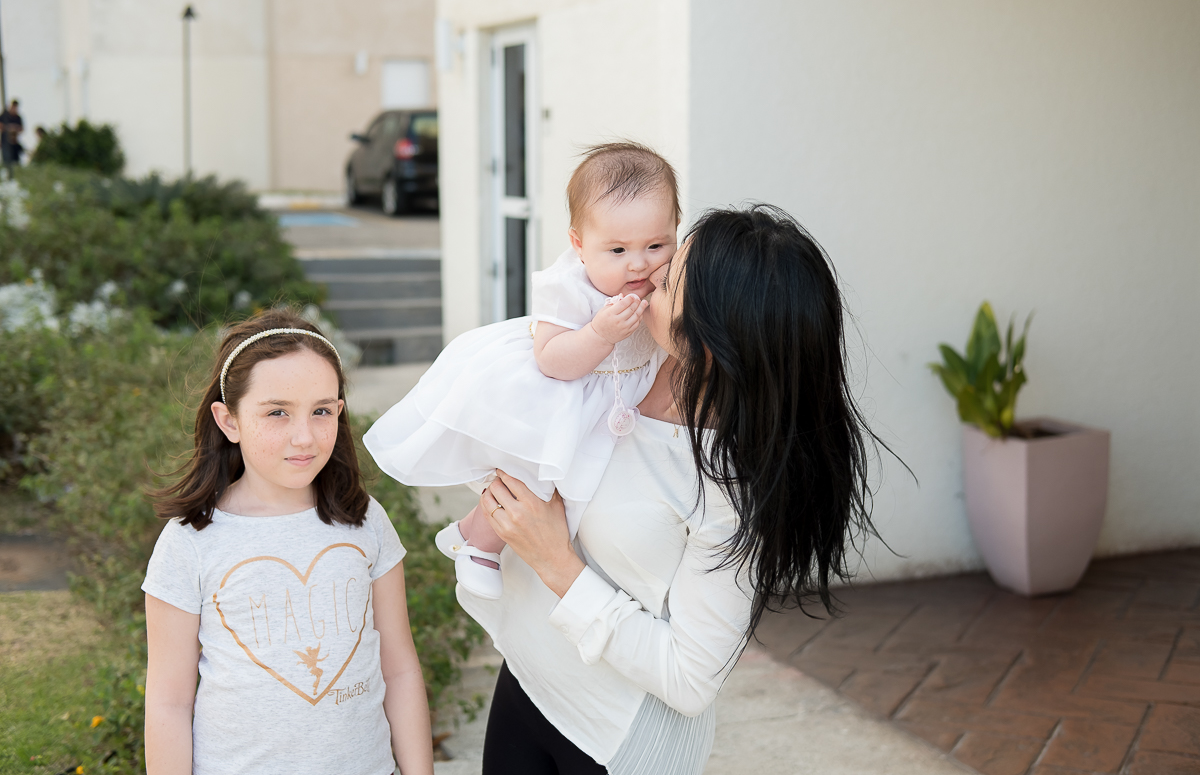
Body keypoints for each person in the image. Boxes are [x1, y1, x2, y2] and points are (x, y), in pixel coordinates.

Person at [459, 204, 882, 774]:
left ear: (709, 342)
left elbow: (690, 679)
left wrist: (555, 562)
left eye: (666, 281)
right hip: (530, 679)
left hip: (615, 742)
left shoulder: (732, 487)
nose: (648, 274)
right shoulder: (626, 356)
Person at [365, 142, 679, 600]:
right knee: (532, 476)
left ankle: (480, 532)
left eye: (656, 245)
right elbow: (551, 359)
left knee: (586, 491)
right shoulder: (570, 287)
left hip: (618, 396)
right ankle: (480, 545)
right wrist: (599, 332)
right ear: (579, 245)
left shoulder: (664, 280)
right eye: (617, 249)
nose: (639, 263)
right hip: (563, 389)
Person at [141, 308, 434, 775]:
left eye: (322, 411)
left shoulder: (365, 520)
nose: (305, 437)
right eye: (277, 412)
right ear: (229, 420)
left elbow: (399, 669)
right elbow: (169, 703)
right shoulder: (190, 541)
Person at [1, 100, 23, 166]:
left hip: (14, 143)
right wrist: (9, 128)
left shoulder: (17, 117)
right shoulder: (4, 116)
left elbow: (21, 129)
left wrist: (14, 128)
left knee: (15, 162)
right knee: (6, 162)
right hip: (5, 142)